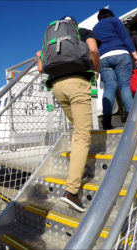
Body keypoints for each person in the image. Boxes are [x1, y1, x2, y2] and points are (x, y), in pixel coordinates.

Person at [36, 16, 100, 212]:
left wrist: (40, 56)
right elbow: (93, 50)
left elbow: (40, 67)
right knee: (82, 135)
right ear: (74, 25)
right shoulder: (82, 33)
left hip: (57, 86)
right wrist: (95, 71)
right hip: (77, 82)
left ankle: (77, 170)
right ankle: (72, 191)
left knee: (78, 131)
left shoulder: (51, 40)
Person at [93, 8, 137, 129]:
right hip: (120, 53)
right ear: (110, 15)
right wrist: (134, 54)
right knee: (124, 85)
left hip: (103, 58)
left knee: (109, 87)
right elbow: (125, 37)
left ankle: (106, 121)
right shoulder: (115, 21)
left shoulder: (95, 28)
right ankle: (131, 120)